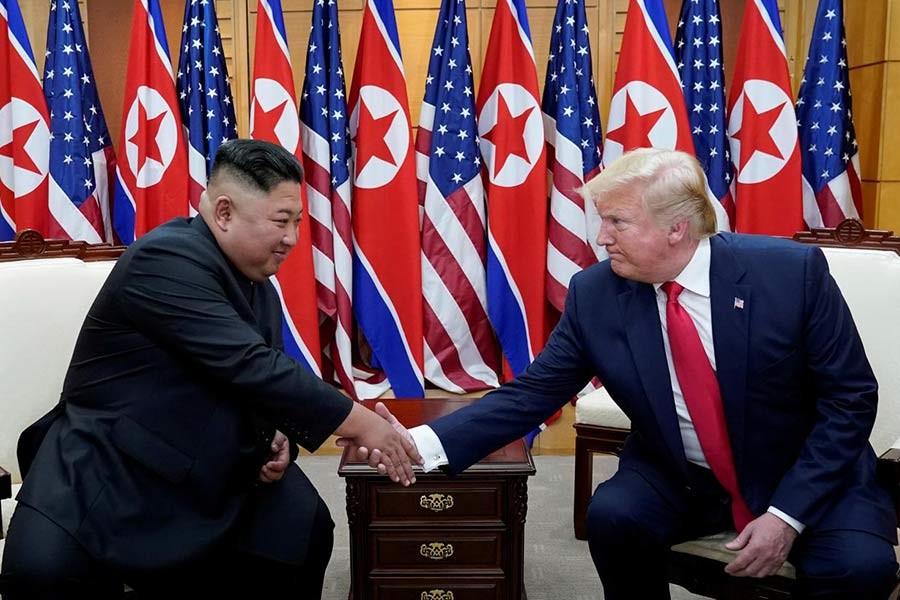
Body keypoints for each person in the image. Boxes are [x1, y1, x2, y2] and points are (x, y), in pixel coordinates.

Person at [361, 148, 898, 598]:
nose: (601, 239)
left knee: (858, 569)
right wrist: (416, 443)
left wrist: (786, 515)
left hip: (805, 473)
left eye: (617, 222)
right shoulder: (598, 294)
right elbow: (530, 397)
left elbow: (850, 400)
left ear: (676, 229)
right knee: (614, 517)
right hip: (682, 474)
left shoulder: (789, 274)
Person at [0, 139, 422, 599]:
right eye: (281, 222)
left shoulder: (258, 281)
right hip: (110, 472)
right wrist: (363, 424)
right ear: (223, 213)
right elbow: (251, 364)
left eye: (298, 222)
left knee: (304, 527)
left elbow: (261, 382)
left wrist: (277, 434)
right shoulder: (164, 259)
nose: (293, 238)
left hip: (213, 468)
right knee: (42, 574)